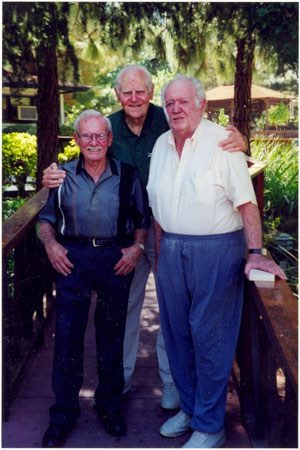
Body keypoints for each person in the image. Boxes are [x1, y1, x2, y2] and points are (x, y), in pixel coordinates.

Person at [42, 65, 247, 410]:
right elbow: (85, 154)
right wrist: (53, 172)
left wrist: (241, 139)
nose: (134, 98)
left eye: (140, 91)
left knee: (171, 306)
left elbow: (212, 136)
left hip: (170, 225)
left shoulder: (170, 118)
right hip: (128, 234)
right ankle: (119, 379)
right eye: (127, 92)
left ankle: (171, 381)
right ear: (118, 95)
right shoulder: (107, 128)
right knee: (127, 304)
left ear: (151, 93)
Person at [146, 75, 286, 448]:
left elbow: (247, 204)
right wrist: (161, 255)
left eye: (183, 101)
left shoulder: (223, 143)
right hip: (171, 249)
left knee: (210, 337)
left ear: (202, 105)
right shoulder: (160, 144)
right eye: (170, 102)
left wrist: (255, 254)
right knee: (177, 335)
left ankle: (210, 426)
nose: (176, 108)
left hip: (216, 249)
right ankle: (191, 410)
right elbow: (158, 207)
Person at [38, 109, 150, 448]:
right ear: (76, 140)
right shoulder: (61, 176)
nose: (94, 142)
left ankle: (109, 407)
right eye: (86, 136)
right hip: (72, 258)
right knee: (68, 337)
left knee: (112, 335)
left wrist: (135, 250)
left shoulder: (128, 175)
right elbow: (45, 220)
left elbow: (142, 219)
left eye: (100, 135)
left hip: (115, 259)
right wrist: (52, 246)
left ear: (110, 139)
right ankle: (64, 413)